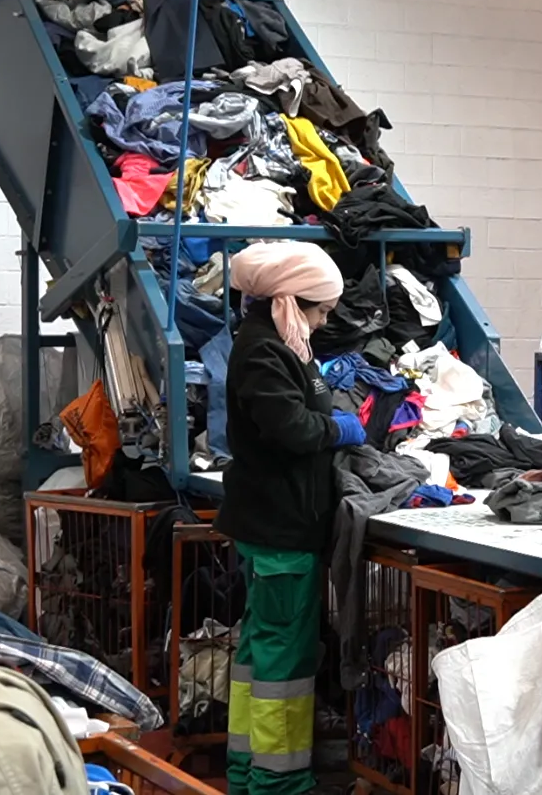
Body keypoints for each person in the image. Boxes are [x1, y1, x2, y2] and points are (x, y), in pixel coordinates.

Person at [217, 241, 366, 795]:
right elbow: (294, 429)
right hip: (281, 529)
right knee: (283, 658)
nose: (325, 320)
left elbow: (300, 405)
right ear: (291, 301)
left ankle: (246, 770)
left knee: (261, 649)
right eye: (321, 309)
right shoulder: (262, 350)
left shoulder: (282, 344)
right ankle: (277, 784)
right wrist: (340, 429)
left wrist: (323, 388)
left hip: (277, 526)